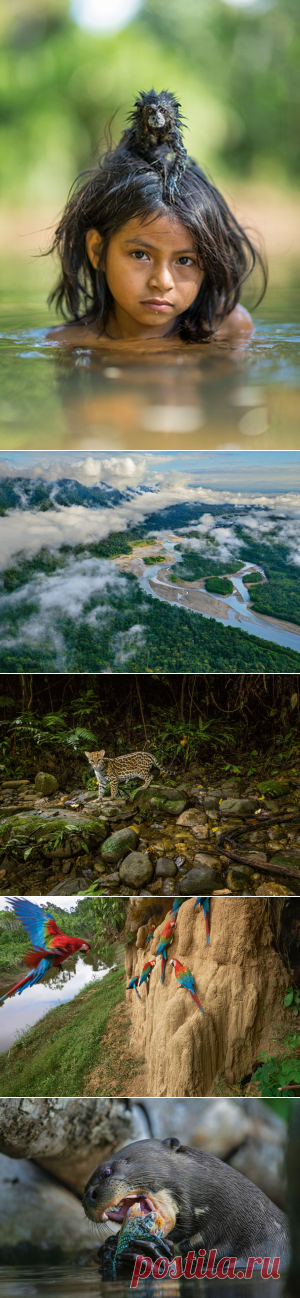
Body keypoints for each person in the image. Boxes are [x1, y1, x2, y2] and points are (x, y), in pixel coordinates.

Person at [48, 90, 267, 348]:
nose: (162, 282)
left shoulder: (228, 331)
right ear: (98, 250)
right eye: (140, 254)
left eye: (185, 260)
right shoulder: (68, 344)